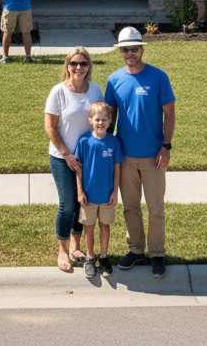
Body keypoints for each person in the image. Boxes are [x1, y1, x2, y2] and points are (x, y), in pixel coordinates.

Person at [105, 26, 176, 279]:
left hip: (153, 157)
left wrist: (166, 147)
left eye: (134, 48)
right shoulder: (114, 80)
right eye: (125, 49)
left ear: (142, 49)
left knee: (156, 209)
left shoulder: (158, 77)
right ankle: (136, 249)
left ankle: (157, 253)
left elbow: (170, 113)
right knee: (130, 207)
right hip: (124, 157)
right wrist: (107, 150)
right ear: (120, 52)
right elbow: (109, 117)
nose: (130, 53)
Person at [44, 48, 104, 272]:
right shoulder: (58, 92)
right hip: (62, 157)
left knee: (82, 202)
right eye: (74, 63)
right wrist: (67, 155)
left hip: (87, 157)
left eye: (83, 64)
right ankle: (62, 249)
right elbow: (50, 127)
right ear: (67, 65)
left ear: (89, 66)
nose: (79, 68)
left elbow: (101, 120)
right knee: (67, 204)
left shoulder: (95, 90)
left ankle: (76, 247)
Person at [74, 102, 124, 279]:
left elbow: (117, 169)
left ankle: (103, 257)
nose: (101, 123)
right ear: (90, 120)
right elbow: (78, 170)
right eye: (97, 119)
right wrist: (80, 192)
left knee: (104, 225)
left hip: (107, 195)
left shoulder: (113, 142)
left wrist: (115, 192)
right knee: (89, 227)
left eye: (104, 119)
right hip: (88, 195)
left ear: (110, 121)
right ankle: (90, 258)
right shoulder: (84, 141)